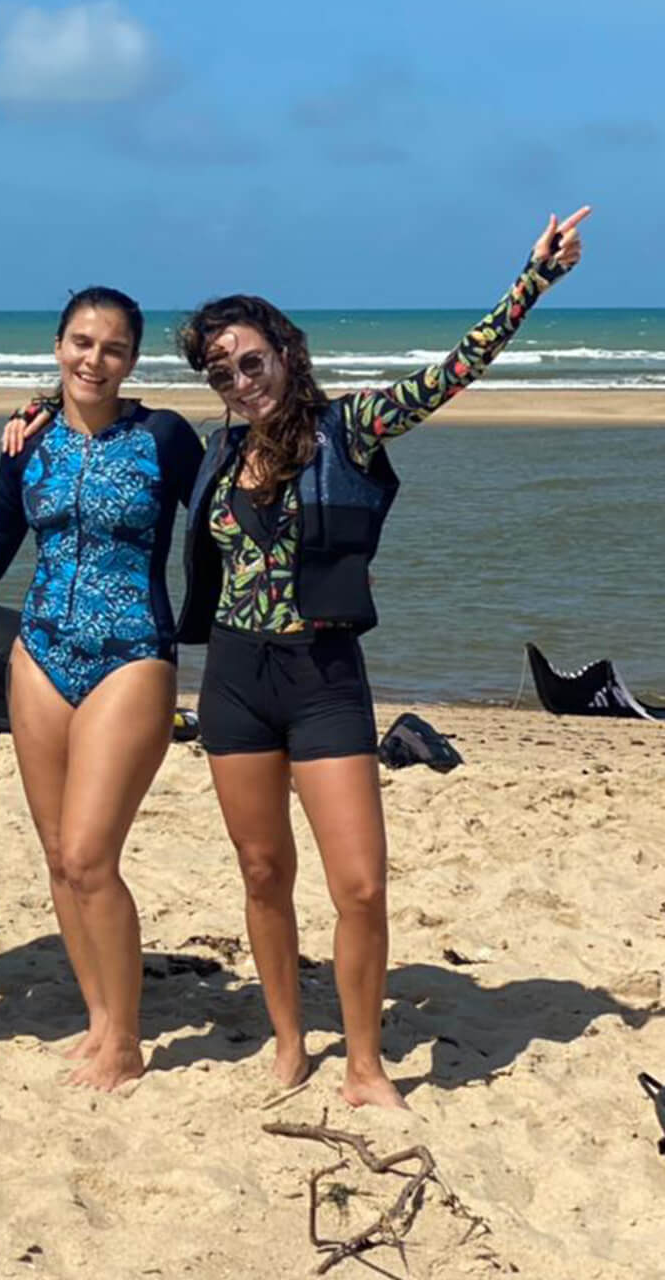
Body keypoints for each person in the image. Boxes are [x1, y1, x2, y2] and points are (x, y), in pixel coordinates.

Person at [173, 208, 589, 1107]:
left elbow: (453, 371)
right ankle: (290, 1042)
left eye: (253, 360)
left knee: (359, 886)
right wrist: (39, 410)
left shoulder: (349, 430)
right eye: (221, 371)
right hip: (237, 681)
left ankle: (363, 1063)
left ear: (285, 352)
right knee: (261, 872)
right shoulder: (215, 453)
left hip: (325, 679)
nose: (241, 381)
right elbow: (115, 435)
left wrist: (534, 279)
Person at [0, 287, 204, 1091]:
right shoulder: (27, 440)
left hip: (133, 655)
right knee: (56, 858)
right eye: (80, 342)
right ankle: (100, 1018)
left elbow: (221, 521)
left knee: (90, 854)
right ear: (57, 346)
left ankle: (129, 1037)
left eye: (111, 348)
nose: (93, 359)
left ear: (132, 360)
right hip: (39, 655)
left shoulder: (165, 437)